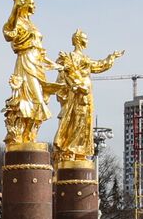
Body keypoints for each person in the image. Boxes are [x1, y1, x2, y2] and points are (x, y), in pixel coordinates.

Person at [50, 30, 122, 166]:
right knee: (75, 120)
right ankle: (69, 149)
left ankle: (80, 151)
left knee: (84, 122)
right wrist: (76, 83)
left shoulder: (86, 59)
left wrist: (111, 57)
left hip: (87, 95)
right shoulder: (71, 57)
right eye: (85, 38)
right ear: (78, 40)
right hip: (77, 94)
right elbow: (66, 74)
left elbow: (100, 66)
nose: (87, 41)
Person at [1, 0, 57, 147]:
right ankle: (20, 136)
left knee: (38, 99)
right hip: (25, 62)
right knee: (31, 99)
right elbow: (7, 32)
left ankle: (30, 135)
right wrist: (14, 9)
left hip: (36, 63)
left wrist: (55, 65)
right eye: (30, 0)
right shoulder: (18, 22)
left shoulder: (32, 25)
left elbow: (40, 51)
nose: (34, 3)